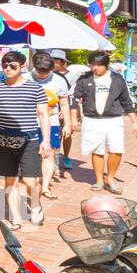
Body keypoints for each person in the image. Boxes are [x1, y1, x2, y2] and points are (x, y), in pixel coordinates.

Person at [0, 51, 52, 229]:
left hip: (29, 140)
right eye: (5, 66)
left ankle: (35, 206)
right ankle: (16, 217)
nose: (8, 69)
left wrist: (46, 140)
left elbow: (43, 115)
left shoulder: (35, 88)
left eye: (12, 66)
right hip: (4, 140)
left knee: (30, 181)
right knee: (10, 181)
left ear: (22, 67)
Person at [71, 50, 137, 194]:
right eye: (92, 65)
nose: (95, 68)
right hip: (92, 120)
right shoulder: (84, 79)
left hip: (114, 120)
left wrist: (135, 122)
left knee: (116, 149)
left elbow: (126, 102)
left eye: (98, 65)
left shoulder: (117, 79)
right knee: (97, 150)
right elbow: (75, 99)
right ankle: (99, 180)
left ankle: (110, 178)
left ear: (106, 65)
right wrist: (73, 119)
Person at [29, 51, 71, 198]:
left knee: (49, 153)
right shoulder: (25, 79)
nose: (42, 75)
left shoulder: (59, 81)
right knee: (31, 153)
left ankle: (45, 186)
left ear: (52, 68)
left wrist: (67, 124)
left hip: (51, 121)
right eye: (40, 72)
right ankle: (33, 180)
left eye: (46, 72)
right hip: (28, 121)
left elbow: (65, 104)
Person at [50, 49, 81, 177]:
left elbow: (74, 96)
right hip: (51, 109)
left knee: (66, 135)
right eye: (52, 61)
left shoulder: (72, 77)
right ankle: (53, 164)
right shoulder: (48, 74)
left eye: (56, 61)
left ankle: (66, 156)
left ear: (62, 62)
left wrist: (69, 112)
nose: (53, 64)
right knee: (54, 137)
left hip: (66, 108)